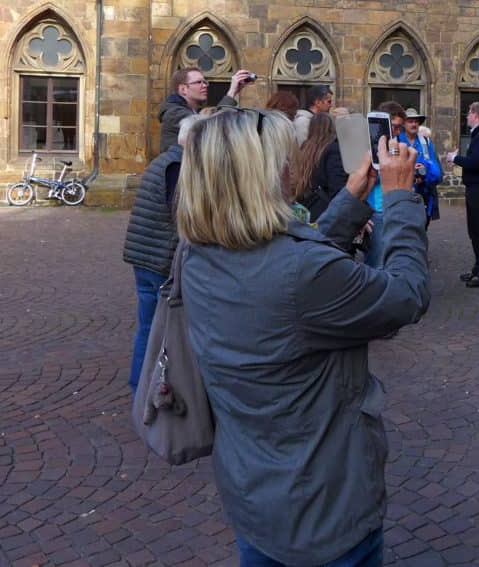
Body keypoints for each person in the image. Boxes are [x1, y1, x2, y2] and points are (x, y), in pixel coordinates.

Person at [176, 108, 430, 567]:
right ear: (262, 175)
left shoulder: (196, 253)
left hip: (254, 489)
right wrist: (400, 200)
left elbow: (293, 270)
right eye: (283, 160)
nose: (292, 168)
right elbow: (406, 296)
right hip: (323, 504)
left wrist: (352, 198)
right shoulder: (301, 274)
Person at [123, 114, 203, 392]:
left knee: (147, 327)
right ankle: (148, 388)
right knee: (160, 330)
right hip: (159, 260)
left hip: (145, 256)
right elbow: (182, 215)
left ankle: (139, 386)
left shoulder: (165, 160)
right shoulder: (178, 166)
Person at [446, 102, 479, 288]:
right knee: (474, 231)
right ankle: (478, 269)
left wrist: (455, 158)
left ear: (475, 114)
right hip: (476, 189)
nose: (466, 116)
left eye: (468, 112)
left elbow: (475, 162)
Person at [157, 67, 254, 152]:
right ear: (183, 89)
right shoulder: (174, 112)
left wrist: (234, 92)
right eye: (198, 82)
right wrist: (231, 92)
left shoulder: (193, 111)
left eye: (205, 82)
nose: (205, 86)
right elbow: (211, 126)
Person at [365, 101, 406, 267]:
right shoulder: (369, 147)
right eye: (395, 127)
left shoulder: (396, 144)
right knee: (377, 264)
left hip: (394, 210)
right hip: (377, 212)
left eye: (400, 127)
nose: (398, 132)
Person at [293, 112, 349, 222]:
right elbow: (337, 187)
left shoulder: (305, 147)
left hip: (306, 206)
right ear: (332, 127)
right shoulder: (333, 149)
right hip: (326, 211)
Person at [397, 108, 441, 226]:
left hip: (422, 197)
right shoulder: (395, 141)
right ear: (404, 124)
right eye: (410, 121)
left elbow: (436, 171)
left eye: (416, 121)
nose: (414, 124)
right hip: (401, 196)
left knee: (421, 231)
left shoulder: (426, 142)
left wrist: (425, 172)